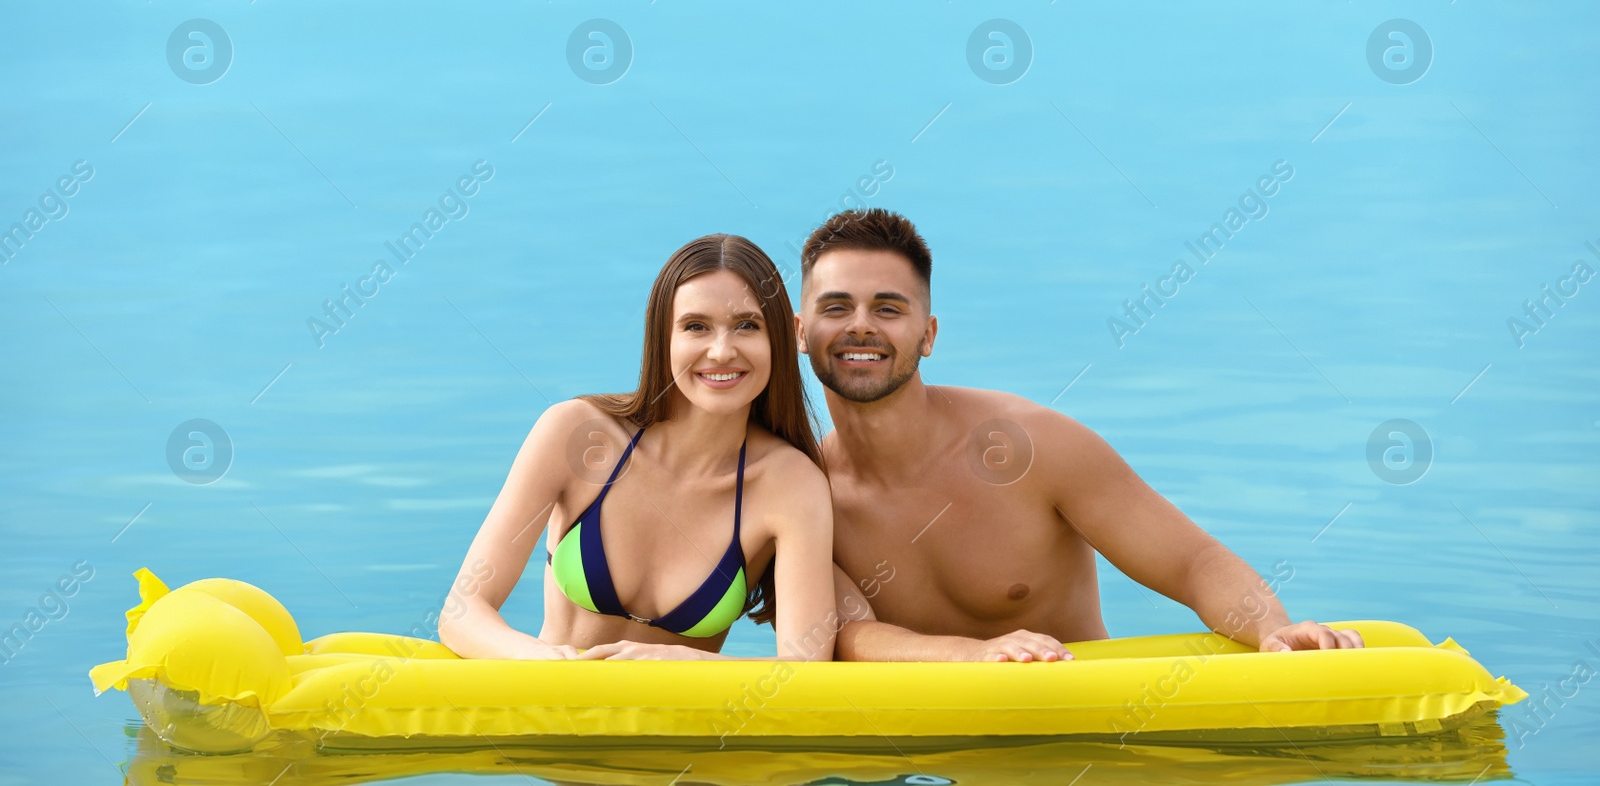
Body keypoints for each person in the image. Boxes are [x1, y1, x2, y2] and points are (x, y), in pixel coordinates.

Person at [799, 209, 1365, 663]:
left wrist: (1274, 630)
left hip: (1083, 739)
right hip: (928, 748)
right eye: (837, 307)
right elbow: (847, 635)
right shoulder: (802, 491)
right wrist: (973, 656)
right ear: (801, 332)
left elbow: (1192, 562)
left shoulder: (1030, 447)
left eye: (889, 308)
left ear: (928, 334)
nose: (861, 326)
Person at [439, 234, 837, 661]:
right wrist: (546, 663)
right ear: (663, 338)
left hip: (683, 727)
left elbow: (803, 670)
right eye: (695, 326)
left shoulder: (791, 485)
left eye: (746, 325)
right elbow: (463, 612)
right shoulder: (577, 434)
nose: (721, 351)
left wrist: (691, 664)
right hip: (553, 714)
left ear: (776, 339)